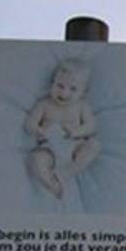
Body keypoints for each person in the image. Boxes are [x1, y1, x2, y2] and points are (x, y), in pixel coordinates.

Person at [24, 58, 101, 199]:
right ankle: (51, 184)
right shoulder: (44, 104)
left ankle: (67, 171)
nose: (64, 93)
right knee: (35, 160)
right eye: (60, 86)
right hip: (49, 147)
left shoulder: (81, 106)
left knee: (93, 146)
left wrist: (75, 132)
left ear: (83, 92)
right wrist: (40, 131)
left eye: (73, 89)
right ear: (52, 83)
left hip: (74, 145)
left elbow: (91, 126)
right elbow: (30, 124)